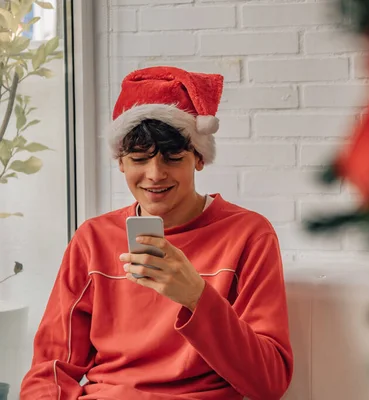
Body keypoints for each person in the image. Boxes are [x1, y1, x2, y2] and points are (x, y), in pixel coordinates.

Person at [20, 66, 294, 400]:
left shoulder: (249, 235)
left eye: (173, 158)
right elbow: (50, 369)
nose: (155, 175)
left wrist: (196, 296)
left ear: (199, 159)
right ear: (121, 162)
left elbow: (270, 382)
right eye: (139, 159)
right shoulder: (92, 239)